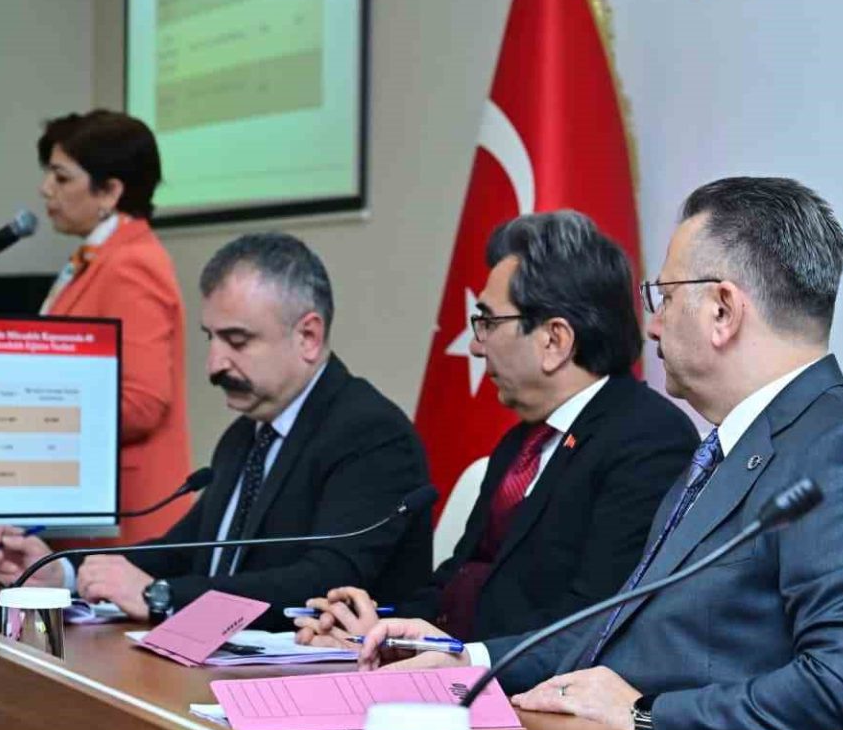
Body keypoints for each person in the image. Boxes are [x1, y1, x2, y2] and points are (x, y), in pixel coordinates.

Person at [358, 177, 843, 730]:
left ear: (722, 310)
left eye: (664, 297)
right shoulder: (729, 447)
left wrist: (644, 716)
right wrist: (468, 661)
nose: (652, 325)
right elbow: (615, 632)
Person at [0, 233, 432, 630]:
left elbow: (324, 581)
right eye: (210, 339)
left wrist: (161, 596)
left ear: (308, 337)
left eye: (237, 341)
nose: (214, 364)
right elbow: (186, 550)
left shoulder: (371, 435)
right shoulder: (247, 434)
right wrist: (63, 570)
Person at [294, 211, 698, 646]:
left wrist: (455, 655)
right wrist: (375, 631)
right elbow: (458, 582)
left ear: (554, 340)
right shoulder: (522, 443)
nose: (474, 344)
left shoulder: (648, 440)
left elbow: (592, 622)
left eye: (488, 322)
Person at [35, 110, 191, 544]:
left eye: (61, 178)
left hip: (128, 512)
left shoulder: (130, 265)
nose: (46, 188)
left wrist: (35, 418)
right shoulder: (99, 258)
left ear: (110, 191)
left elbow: (142, 403)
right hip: (92, 502)